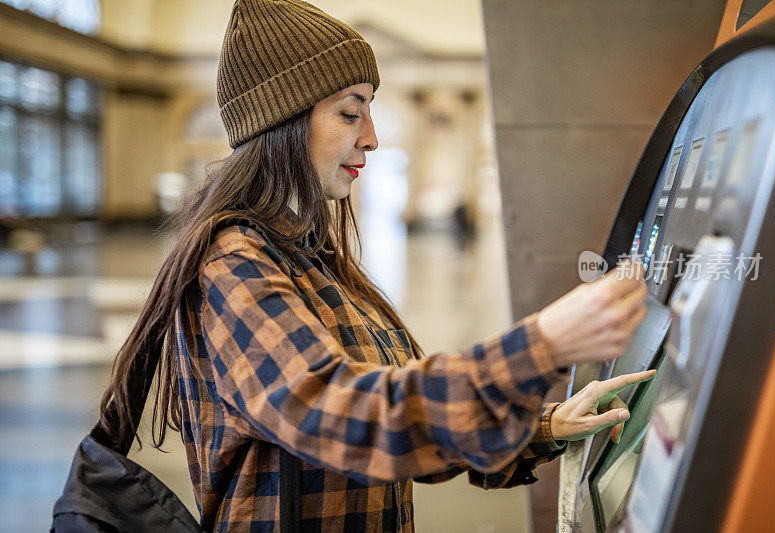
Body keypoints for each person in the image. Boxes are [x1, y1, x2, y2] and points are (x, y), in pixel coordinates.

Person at [98, 1, 652, 531]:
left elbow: (412, 419)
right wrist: (542, 346)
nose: (372, 136)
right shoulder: (232, 263)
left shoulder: (316, 258)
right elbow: (347, 416)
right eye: (349, 112)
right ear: (283, 122)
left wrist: (545, 426)